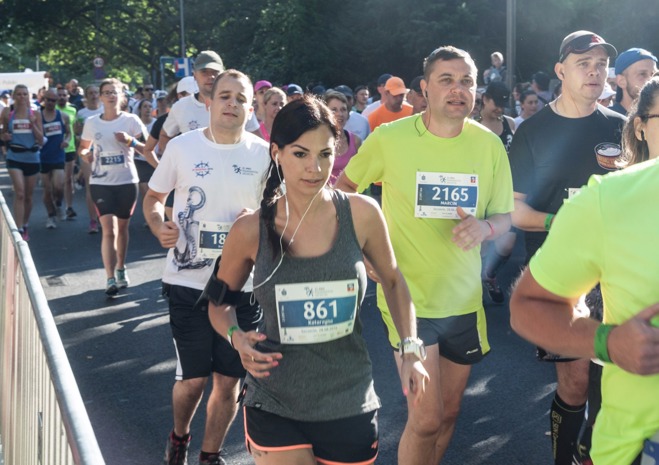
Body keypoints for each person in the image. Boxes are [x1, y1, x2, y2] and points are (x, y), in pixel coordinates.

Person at [206, 95, 428, 465]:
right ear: (277, 153)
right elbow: (219, 303)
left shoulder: (362, 213)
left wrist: (410, 350)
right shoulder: (249, 229)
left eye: (325, 154)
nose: (314, 168)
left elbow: (393, 280)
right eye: (300, 154)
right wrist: (236, 337)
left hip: (348, 398)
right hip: (274, 399)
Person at [336, 45, 513, 464]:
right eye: (446, 80)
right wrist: (362, 250)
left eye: (466, 81)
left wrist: (485, 228)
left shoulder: (489, 145)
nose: (457, 89)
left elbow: (505, 216)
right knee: (427, 417)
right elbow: (343, 192)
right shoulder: (390, 139)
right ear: (425, 89)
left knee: (448, 414)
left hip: (463, 300)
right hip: (407, 299)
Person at [510, 76, 659, 465]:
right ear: (640, 126)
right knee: (576, 383)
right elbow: (528, 304)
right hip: (642, 444)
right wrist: (608, 343)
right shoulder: (608, 196)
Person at [508, 30, 625, 465]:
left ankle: (592, 454)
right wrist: (565, 222)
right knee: (575, 383)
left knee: (612, 380)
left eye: (601, 64)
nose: (594, 72)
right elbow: (515, 211)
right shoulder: (533, 131)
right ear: (561, 71)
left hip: (615, 273)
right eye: (583, 63)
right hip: (560, 274)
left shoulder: (620, 125)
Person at [144, 69, 271, 465]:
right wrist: (158, 225)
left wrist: (260, 220)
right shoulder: (183, 147)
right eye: (225, 96)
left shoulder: (264, 155)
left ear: (251, 109)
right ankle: (179, 436)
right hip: (188, 281)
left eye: (241, 99)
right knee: (194, 380)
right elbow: (153, 197)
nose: (232, 104)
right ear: (210, 102)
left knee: (229, 380)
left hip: (243, 287)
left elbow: (280, 212)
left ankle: (209, 455)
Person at [78, 78, 148, 296]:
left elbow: (147, 149)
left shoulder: (131, 120)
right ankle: (109, 278)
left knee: (123, 229)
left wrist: (130, 141)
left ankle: (121, 268)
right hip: (100, 182)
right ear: (100, 97)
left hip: (126, 181)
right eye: (106, 92)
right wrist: (86, 155)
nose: (110, 96)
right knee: (109, 229)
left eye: (114, 92)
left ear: (121, 96)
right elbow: (82, 148)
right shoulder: (92, 123)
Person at [0, 84, 44, 241]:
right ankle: (18, 230)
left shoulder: (35, 114)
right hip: (14, 156)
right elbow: (3, 132)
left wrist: (33, 124)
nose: (22, 97)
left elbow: (41, 140)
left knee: (28, 196)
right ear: (14, 96)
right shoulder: (8, 112)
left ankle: (25, 224)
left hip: (32, 157)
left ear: (29, 96)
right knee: (19, 193)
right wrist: (4, 136)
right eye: (18, 94)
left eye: (25, 94)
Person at [40, 88, 71, 229]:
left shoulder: (63, 116)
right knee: (47, 190)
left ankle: (58, 204)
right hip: (43, 157)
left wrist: (66, 141)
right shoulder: (38, 116)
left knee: (58, 186)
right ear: (44, 100)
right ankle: (50, 216)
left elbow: (69, 133)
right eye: (48, 100)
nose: (50, 103)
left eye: (53, 100)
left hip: (58, 155)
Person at [75, 84, 104, 233]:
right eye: (90, 93)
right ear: (86, 96)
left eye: (96, 93)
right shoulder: (81, 113)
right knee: (90, 185)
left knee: (104, 185)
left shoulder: (105, 110)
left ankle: (103, 217)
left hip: (104, 152)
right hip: (88, 152)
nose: (94, 96)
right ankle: (93, 220)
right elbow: (77, 134)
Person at [323, 90, 362, 185]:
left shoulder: (355, 141)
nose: (339, 114)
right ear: (324, 113)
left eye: (343, 109)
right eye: (334, 110)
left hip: (349, 193)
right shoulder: (316, 141)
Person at [610, 48, 658, 115]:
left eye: (654, 74)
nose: (651, 80)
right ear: (621, 81)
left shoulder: (655, 117)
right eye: (642, 74)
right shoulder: (606, 119)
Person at [56, 86, 78, 220]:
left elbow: (74, 129)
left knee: (68, 179)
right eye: (59, 95)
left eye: (64, 95)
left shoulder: (73, 110)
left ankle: (69, 207)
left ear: (68, 97)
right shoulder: (52, 109)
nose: (62, 97)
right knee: (57, 182)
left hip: (70, 148)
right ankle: (57, 204)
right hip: (54, 150)